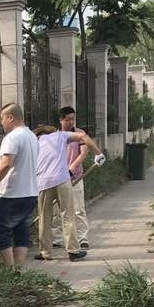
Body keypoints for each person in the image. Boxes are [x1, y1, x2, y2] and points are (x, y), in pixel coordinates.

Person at [34, 123, 105, 261]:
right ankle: (73, 251)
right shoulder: (60, 135)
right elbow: (83, 136)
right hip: (61, 180)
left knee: (44, 218)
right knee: (68, 215)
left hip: (43, 183)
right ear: (53, 132)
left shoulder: (35, 141)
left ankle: (45, 253)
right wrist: (98, 153)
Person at [0, 103, 40, 267]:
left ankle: (10, 269)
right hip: (30, 193)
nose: (2, 123)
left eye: (2, 119)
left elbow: (6, 164)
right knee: (21, 230)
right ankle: (18, 271)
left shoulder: (12, 138)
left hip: (13, 194)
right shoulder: (31, 136)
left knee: (0, 230)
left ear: (10, 117)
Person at [52, 106, 91, 249]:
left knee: (78, 209)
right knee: (57, 211)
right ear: (61, 120)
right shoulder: (55, 136)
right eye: (67, 120)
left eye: (73, 119)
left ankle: (82, 238)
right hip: (58, 178)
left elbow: (84, 153)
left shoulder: (80, 134)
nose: (71, 122)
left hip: (76, 178)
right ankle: (57, 238)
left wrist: (72, 168)